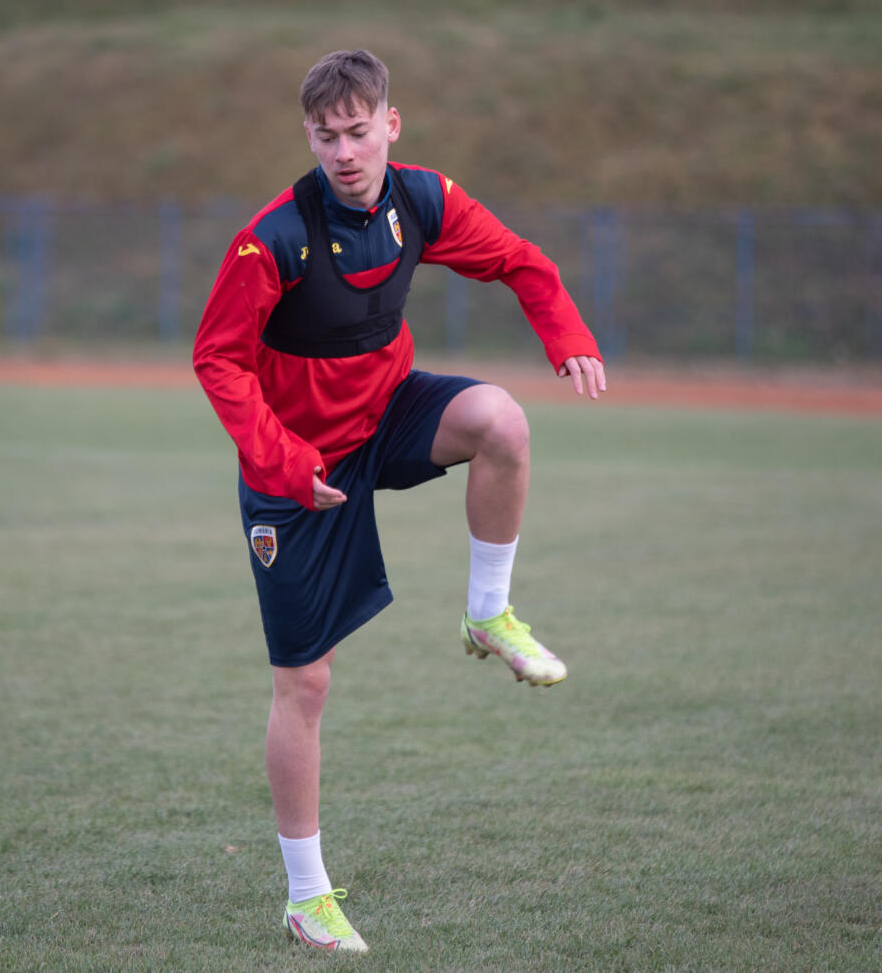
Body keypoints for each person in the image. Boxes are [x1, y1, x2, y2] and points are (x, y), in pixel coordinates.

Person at [192, 49, 606, 954]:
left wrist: (566, 333)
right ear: (308, 136)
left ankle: (489, 614)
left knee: (501, 423)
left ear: (391, 124)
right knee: (305, 683)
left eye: (358, 131)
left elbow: (521, 262)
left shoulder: (422, 200)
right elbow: (217, 359)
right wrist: (281, 458)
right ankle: (306, 899)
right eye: (325, 136)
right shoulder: (275, 238)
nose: (344, 153)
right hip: (297, 468)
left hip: (384, 417)